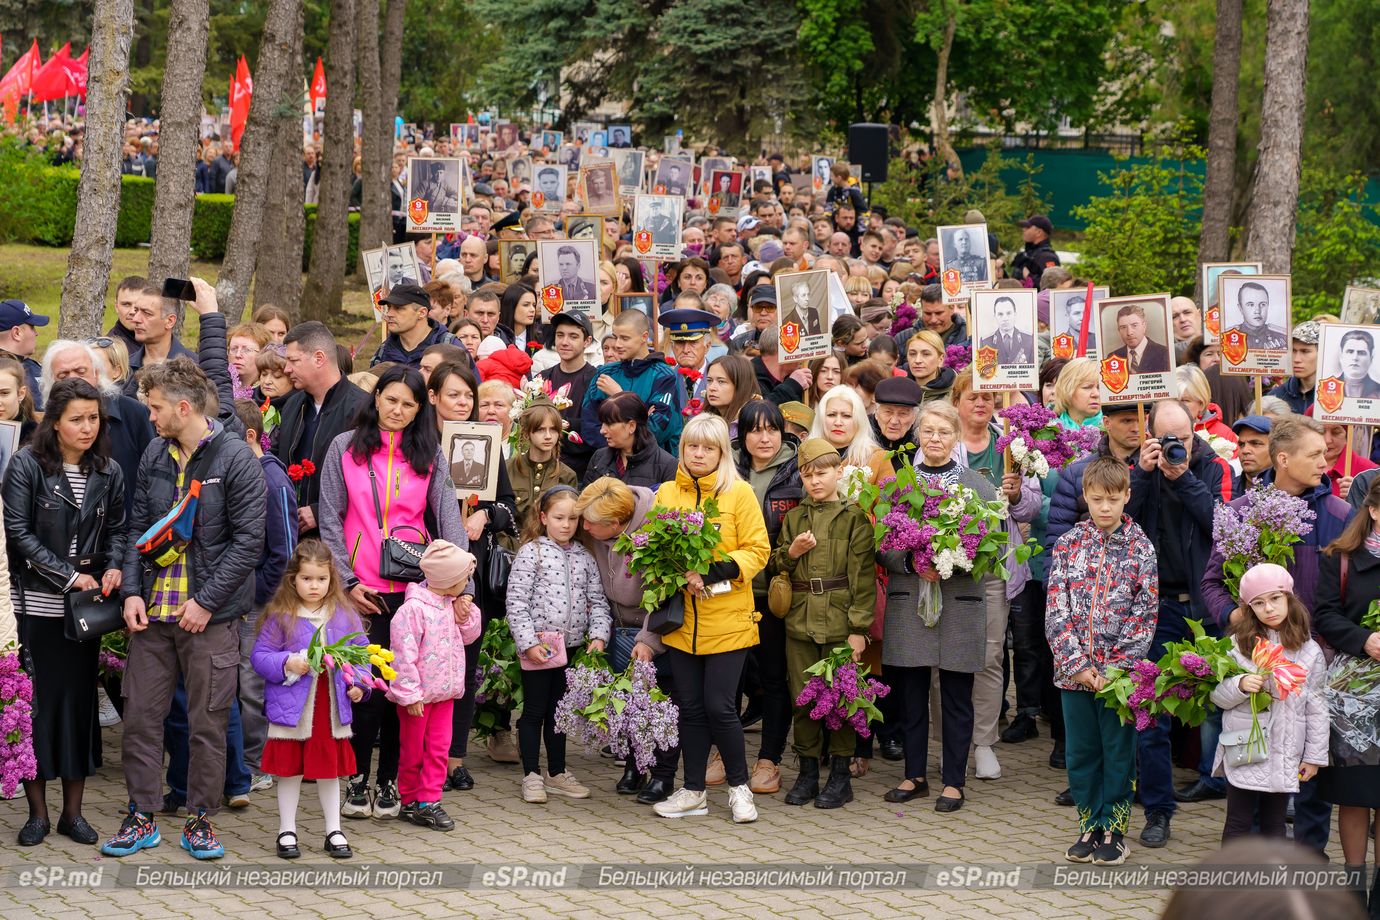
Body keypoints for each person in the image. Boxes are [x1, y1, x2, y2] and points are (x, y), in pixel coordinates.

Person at [103, 358, 265, 861]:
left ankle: (200, 821)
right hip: (152, 615)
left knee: (208, 726)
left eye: (154, 408)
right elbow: (137, 530)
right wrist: (131, 591)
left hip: (209, 620)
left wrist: (206, 602)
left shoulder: (236, 459)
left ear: (183, 407)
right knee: (142, 721)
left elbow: (249, 542)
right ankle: (141, 816)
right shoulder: (155, 451)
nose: (149, 417)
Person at [317, 364, 470, 820]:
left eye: (408, 403)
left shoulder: (431, 454)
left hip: (417, 595)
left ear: (420, 408)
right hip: (361, 591)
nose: (398, 410)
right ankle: (357, 781)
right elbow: (329, 518)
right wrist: (346, 582)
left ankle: (389, 783)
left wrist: (461, 585)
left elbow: (449, 521)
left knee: (406, 695)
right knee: (367, 692)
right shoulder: (344, 448)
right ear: (376, 397)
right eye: (391, 399)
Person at [4, 379, 125, 847]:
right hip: (37, 605)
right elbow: (19, 534)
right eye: (77, 418)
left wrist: (114, 566)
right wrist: (68, 576)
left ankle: (72, 814)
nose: (87, 427)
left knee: (78, 708)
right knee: (37, 709)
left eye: (93, 418)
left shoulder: (108, 471)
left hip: (86, 612)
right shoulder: (26, 465)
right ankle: (37, 813)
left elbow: (118, 528)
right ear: (54, 421)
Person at [1125, 399, 1233, 848]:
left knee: (1223, 707)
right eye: (1165, 439)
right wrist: (1142, 474)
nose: (1175, 447)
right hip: (1157, 606)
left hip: (1204, 605)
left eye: (1182, 439)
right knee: (1151, 713)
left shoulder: (1212, 466)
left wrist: (1183, 476)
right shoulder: (1139, 469)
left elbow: (1221, 525)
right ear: (1149, 435)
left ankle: (1239, 811)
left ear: (1195, 433)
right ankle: (1158, 811)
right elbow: (1124, 522)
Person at [651, 414, 769, 823]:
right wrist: (671, 570)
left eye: (708, 448)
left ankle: (740, 789)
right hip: (682, 623)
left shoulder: (740, 494)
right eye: (692, 447)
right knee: (691, 708)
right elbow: (654, 550)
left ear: (722, 452)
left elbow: (758, 550)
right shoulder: (666, 493)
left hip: (729, 620)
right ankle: (694, 790)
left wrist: (714, 570)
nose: (699, 455)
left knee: (721, 708)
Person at [876, 401, 993, 813]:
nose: (935, 440)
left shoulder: (976, 485)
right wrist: (911, 561)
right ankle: (915, 775)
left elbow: (992, 547)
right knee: (911, 695)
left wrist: (957, 559)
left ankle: (955, 781)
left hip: (959, 601)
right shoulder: (902, 484)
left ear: (956, 436)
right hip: (911, 601)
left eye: (944, 432)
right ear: (918, 436)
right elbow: (883, 541)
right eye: (928, 432)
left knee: (957, 696)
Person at [1047, 455, 1157, 865]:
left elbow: (1144, 615)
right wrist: (1075, 663)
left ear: (1127, 496)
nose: (1105, 508)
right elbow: (1056, 607)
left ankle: (1115, 828)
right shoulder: (1068, 544)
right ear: (1085, 498)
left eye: (1113, 499)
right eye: (1097, 499)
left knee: (1117, 751)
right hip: (1073, 674)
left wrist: (1114, 670)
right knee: (1081, 754)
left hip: (1117, 679)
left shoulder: (1141, 549)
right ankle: (1089, 823)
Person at [426, 361, 522, 774]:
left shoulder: (485, 442)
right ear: (433, 398)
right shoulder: (419, 442)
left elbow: (509, 509)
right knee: (425, 662)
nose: (464, 403)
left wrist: (486, 515)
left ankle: (454, 758)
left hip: (472, 570)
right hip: (425, 569)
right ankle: (422, 756)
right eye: (454, 395)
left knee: (462, 663)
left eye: (469, 396)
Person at [770, 438, 875, 809]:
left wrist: (858, 630)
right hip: (800, 620)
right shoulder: (795, 517)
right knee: (804, 697)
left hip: (840, 621)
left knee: (842, 699)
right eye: (807, 474)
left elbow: (863, 580)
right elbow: (777, 566)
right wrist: (791, 552)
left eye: (822, 473)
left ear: (839, 472)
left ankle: (841, 776)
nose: (815, 481)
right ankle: (809, 773)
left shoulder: (854, 518)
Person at [251, 540, 368, 860]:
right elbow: (259, 657)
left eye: (321, 579)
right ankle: (286, 830)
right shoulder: (281, 614)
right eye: (306, 579)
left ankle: (334, 829)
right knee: (289, 769)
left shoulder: (343, 613)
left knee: (329, 769)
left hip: (329, 707)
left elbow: (361, 654)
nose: (314, 586)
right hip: (292, 708)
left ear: (332, 579)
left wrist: (358, 683)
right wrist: (288, 661)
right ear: (293, 579)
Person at [506, 486, 611, 803]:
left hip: (573, 647)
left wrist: (598, 635)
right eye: (559, 518)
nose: (566, 525)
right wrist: (527, 642)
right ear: (543, 517)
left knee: (559, 712)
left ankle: (556, 772)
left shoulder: (585, 557)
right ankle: (532, 775)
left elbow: (598, 602)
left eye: (573, 519)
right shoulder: (531, 553)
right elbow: (516, 602)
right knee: (535, 710)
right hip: (540, 645)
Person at [1211, 563, 1327, 844]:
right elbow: (1216, 695)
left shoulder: (1309, 650)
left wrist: (1314, 756)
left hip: (1285, 751)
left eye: (1275, 598)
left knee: (1274, 825)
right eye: (1259, 603)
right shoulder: (1237, 645)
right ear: (1249, 609)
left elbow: (1317, 705)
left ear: (1289, 598)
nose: (1269, 608)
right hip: (1245, 748)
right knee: (1238, 822)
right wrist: (1239, 685)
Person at [1314, 477, 1380, 907]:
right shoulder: (1339, 557)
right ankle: (1354, 885)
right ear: (1373, 510)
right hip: (1352, 698)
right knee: (1355, 796)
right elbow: (1325, 614)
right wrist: (1364, 640)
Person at [733, 401, 802, 795]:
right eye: (756, 430)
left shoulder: (797, 470)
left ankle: (769, 759)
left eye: (772, 429)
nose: (765, 438)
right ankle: (724, 754)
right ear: (742, 435)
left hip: (777, 592)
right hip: (733, 592)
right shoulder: (729, 468)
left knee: (776, 679)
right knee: (733, 679)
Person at [388, 540, 477, 832]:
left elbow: (470, 635)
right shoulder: (412, 610)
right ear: (448, 580)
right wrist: (409, 694)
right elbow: (402, 656)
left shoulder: (452, 604)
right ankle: (410, 798)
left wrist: (466, 614)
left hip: (445, 695)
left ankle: (429, 801)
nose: (467, 584)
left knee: (439, 748)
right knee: (413, 749)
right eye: (464, 578)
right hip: (419, 698)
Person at [579, 310, 685, 455]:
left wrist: (620, 394)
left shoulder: (664, 376)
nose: (617, 344)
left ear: (644, 337)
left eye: (625, 338)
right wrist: (642, 417)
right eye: (615, 337)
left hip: (653, 468)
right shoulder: (605, 373)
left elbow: (657, 430)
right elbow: (589, 425)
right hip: (611, 464)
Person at [507, 396, 578, 525]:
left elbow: (569, 521)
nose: (548, 436)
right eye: (540, 430)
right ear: (526, 433)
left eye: (553, 430)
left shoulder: (567, 475)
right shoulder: (507, 469)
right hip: (509, 544)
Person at [583, 392, 677, 489]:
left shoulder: (667, 466)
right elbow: (586, 500)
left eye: (609, 424)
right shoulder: (599, 458)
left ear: (631, 426)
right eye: (602, 423)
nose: (602, 430)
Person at [809, 384, 891, 484]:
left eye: (846, 416)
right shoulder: (807, 454)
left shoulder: (877, 458)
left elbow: (890, 499)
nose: (838, 422)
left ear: (858, 420)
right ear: (821, 419)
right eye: (831, 415)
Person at [124, 287, 198, 394]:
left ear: (169, 321)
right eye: (136, 311)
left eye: (147, 313)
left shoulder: (194, 368)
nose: (135, 319)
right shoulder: (125, 367)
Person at [373, 285, 460, 368]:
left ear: (422, 313)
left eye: (398, 308)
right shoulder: (383, 351)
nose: (389, 314)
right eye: (389, 307)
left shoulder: (449, 347)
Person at [0, 299, 47, 410]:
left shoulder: (33, 366)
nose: (36, 333)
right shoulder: (5, 371)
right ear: (16, 333)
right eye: (32, 327)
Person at [703, 355, 761, 439]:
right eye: (709, 380)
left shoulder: (754, 423)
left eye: (721, 381)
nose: (712, 387)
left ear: (740, 385)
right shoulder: (706, 418)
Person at [1268, 321, 1320, 414]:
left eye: (1305, 351)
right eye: (1293, 350)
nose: (1296, 359)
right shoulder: (1276, 396)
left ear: (1323, 352)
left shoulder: (1338, 397)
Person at [1109, 303, 1170, 374]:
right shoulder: (1113, 357)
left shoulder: (1165, 353)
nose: (1129, 333)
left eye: (1134, 325)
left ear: (1144, 326)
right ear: (1118, 330)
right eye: (1123, 327)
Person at [1226, 281, 1288, 351]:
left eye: (1263, 304)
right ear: (1240, 308)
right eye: (1251, 305)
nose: (1258, 311)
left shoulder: (1282, 336)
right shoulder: (1227, 337)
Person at [978, 295, 1035, 364]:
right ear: (995, 316)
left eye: (1009, 313)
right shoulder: (985, 342)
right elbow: (984, 371)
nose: (1005, 318)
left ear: (1015, 314)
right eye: (1000, 314)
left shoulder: (1029, 339)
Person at [1053, 357, 1103, 429]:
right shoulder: (1047, 428)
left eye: (1099, 388)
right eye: (1087, 387)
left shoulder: (1114, 429)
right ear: (1066, 389)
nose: (1096, 394)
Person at [1011, 215, 1059, 288]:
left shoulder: (1047, 257)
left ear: (1039, 232)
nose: (1024, 230)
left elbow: (1052, 285)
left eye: (1028, 227)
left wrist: (1029, 277)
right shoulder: (1029, 253)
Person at [1232, 415, 1274, 494]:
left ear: (1275, 449)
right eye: (1241, 444)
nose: (1245, 450)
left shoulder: (1291, 490)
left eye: (1256, 443)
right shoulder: (1227, 489)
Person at [1338, 329, 1380, 399]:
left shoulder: (1378, 391)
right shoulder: (1326, 389)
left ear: (1371, 357)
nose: (1355, 358)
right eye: (1350, 352)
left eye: (1361, 353)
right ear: (1341, 356)